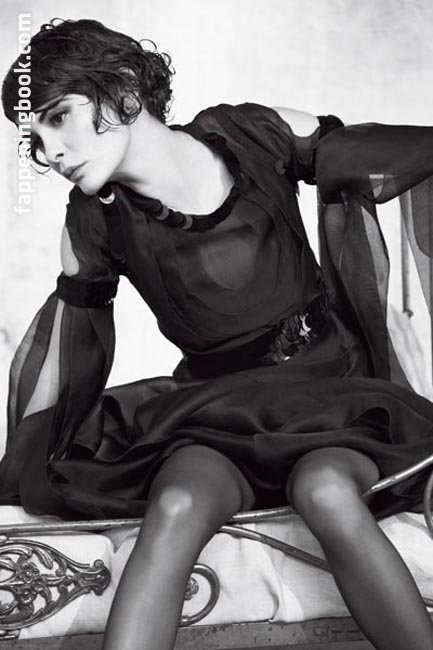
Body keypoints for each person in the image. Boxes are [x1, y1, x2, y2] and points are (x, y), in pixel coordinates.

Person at [1, 17, 433, 650]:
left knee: (325, 491)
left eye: (58, 117)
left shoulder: (251, 133)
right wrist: (24, 460)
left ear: (123, 88)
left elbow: (370, 156)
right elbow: (71, 351)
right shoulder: (94, 220)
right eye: (34, 139)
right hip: (214, 415)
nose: (51, 152)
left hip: (330, 392)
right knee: (176, 505)